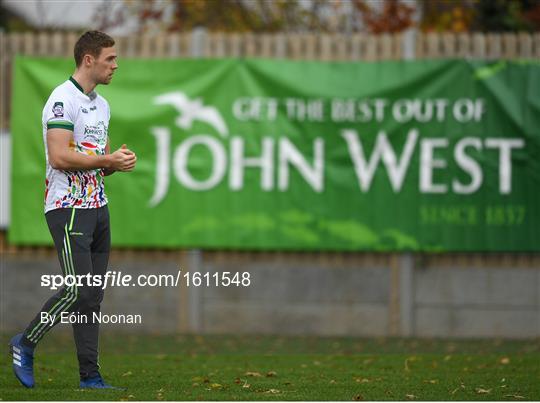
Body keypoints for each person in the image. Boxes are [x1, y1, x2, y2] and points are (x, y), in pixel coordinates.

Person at [9, 30, 136, 389]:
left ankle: (90, 376)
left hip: (99, 207)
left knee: (92, 294)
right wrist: (105, 159)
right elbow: (59, 156)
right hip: (68, 208)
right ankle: (25, 342)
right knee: (76, 289)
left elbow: (101, 160)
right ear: (89, 60)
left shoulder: (102, 104)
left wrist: (117, 161)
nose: (116, 64)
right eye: (110, 58)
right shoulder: (62, 100)